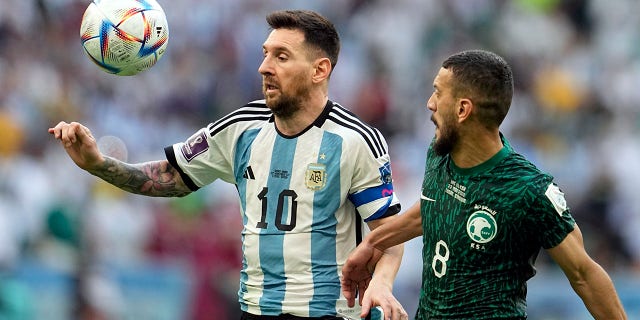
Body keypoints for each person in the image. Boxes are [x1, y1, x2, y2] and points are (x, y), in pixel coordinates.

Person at [49, 9, 408, 320]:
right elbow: (170, 177)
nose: (264, 67)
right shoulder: (240, 128)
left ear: (319, 70)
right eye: (266, 54)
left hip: (329, 311)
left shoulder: (356, 140)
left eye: (281, 57)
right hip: (254, 309)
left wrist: (382, 282)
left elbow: (391, 233)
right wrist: (98, 164)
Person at [340, 49, 628, 319]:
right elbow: (431, 207)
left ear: (463, 109)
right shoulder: (440, 154)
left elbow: (584, 274)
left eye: (439, 92)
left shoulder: (528, 189)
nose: (430, 102)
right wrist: (373, 242)